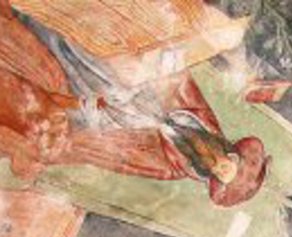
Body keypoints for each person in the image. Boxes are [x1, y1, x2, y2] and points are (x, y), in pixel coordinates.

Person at [0, 1, 268, 205]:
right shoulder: (204, 120)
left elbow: (115, 153)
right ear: (232, 154)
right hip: (130, 78)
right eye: (228, 164)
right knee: (109, 47)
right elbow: (175, 80)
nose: (219, 165)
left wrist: (93, 107)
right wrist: (146, 68)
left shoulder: (170, 167)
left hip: (106, 113)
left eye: (220, 173)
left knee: (70, 68)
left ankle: (22, 21)